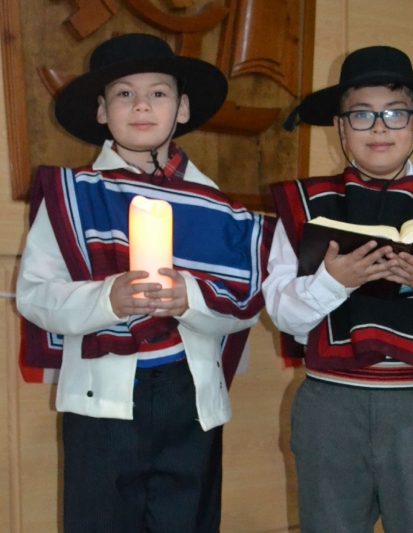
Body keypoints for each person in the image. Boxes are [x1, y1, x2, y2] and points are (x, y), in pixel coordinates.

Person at [16, 33, 271, 533]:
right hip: (103, 398)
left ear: (181, 109)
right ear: (101, 111)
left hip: (188, 396)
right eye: (123, 93)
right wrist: (106, 298)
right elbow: (35, 295)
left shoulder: (216, 205)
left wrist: (189, 298)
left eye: (158, 93)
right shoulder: (73, 197)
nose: (141, 106)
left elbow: (244, 304)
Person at [265, 45, 413, 533]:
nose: (379, 128)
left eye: (395, 114)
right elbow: (287, 317)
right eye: (362, 114)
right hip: (330, 405)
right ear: (340, 127)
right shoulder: (305, 205)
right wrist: (333, 282)